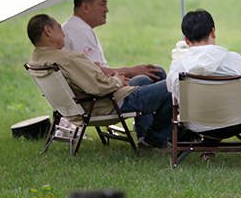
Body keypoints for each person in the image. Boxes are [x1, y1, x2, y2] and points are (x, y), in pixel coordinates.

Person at [26, 14, 172, 148]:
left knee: (146, 78)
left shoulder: (37, 59)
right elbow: (100, 87)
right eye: (59, 27)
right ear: (48, 31)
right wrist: (118, 79)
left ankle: (144, 137)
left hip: (79, 107)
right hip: (106, 103)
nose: (63, 33)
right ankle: (155, 140)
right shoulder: (67, 59)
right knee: (172, 86)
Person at [167, 9, 241, 146]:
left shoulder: (179, 66)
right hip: (237, 122)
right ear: (213, 31)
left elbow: (173, 93)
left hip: (195, 125)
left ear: (186, 40)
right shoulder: (234, 60)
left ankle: (207, 143)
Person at [63, 0, 164, 84]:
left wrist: (127, 73)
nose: (106, 9)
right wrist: (131, 71)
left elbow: (97, 71)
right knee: (155, 75)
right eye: (102, 4)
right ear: (86, 7)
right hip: (106, 95)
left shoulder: (75, 27)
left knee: (156, 72)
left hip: (107, 86)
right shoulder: (80, 31)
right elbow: (96, 75)